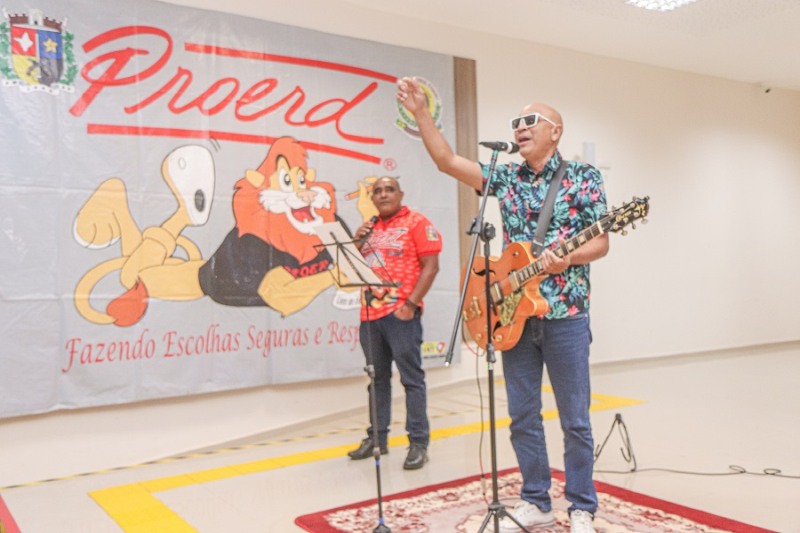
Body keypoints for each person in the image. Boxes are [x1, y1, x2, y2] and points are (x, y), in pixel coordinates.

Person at [396, 77, 608, 533]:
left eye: (531, 120)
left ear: (555, 131)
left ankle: (581, 506)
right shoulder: (506, 177)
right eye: (516, 122)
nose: (520, 128)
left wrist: (568, 258)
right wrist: (421, 114)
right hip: (512, 316)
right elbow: (447, 161)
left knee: (575, 419)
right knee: (522, 416)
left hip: (566, 315)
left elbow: (602, 241)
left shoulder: (583, 177)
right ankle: (536, 500)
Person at [347, 176, 442, 470]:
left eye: (389, 189)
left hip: (402, 314)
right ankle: (377, 438)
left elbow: (431, 267)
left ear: (400, 194)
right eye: (377, 191)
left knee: (411, 379)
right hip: (370, 316)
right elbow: (352, 269)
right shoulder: (369, 228)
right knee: (376, 379)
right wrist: (356, 242)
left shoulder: (417, 222)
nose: (383, 194)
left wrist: (410, 304)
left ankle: (418, 443)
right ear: (371, 198)